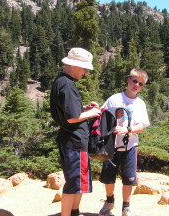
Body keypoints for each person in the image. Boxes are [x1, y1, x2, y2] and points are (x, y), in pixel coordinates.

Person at [50, 48, 102, 216]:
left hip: (68, 139)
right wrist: (92, 113)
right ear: (75, 65)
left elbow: (67, 112)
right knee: (73, 183)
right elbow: (72, 118)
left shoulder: (60, 81)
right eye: (84, 68)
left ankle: (74, 212)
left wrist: (84, 108)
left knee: (77, 181)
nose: (86, 72)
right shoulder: (68, 84)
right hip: (74, 141)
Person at [98, 68, 150, 216]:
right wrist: (113, 113)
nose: (137, 85)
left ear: (143, 87)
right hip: (111, 145)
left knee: (129, 178)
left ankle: (126, 207)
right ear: (128, 80)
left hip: (130, 146)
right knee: (108, 176)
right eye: (134, 81)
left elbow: (141, 126)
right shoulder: (114, 99)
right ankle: (109, 201)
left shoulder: (140, 104)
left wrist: (127, 130)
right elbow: (101, 115)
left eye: (140, 84)